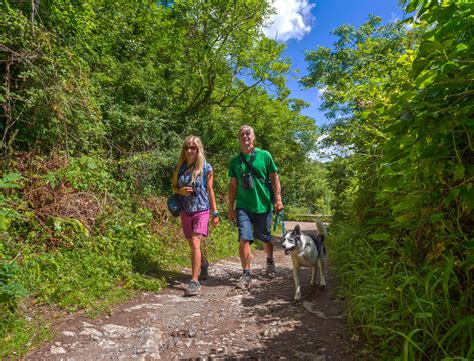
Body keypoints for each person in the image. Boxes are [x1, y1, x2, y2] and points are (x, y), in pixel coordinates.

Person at [227, 125, 283, 289]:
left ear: (253, 137)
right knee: (244, 238)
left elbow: (274, 177)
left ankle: (270, 260)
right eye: (242, 134)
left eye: (248, 133)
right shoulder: (234, 161)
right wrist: (231, 207)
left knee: (265, 237)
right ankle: (246, 274)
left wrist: (278, 199)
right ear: (239, 138)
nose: (245, 136)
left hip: (263, 205)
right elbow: (232, 185)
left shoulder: (265, 156)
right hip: (243, 206)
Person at [172, 135, 219, 296]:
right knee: (192, 245)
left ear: (198, 149)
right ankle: (203, 263)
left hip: (202, 209)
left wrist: (215, 212)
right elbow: (174, 187)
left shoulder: (206, 167)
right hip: (186, 210)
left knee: (195, 241)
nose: (189, 150)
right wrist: (181, 191)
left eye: (193, 147)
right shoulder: (180, 167)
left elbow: (210, 190)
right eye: (186, 147)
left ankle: (194, 281)